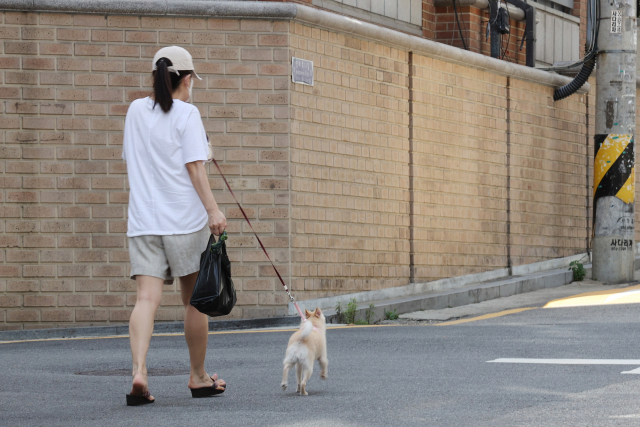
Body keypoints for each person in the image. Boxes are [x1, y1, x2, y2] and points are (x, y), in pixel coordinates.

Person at [122, 46, 227, 406]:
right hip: (183, 221)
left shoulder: (135, 110)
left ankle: (139, 372)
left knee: (146, 299)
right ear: (186, 79)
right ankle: (198, 377)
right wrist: (213, 210)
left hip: (143, 221)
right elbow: (195, 168)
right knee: (194, 302)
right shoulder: (188, 114)